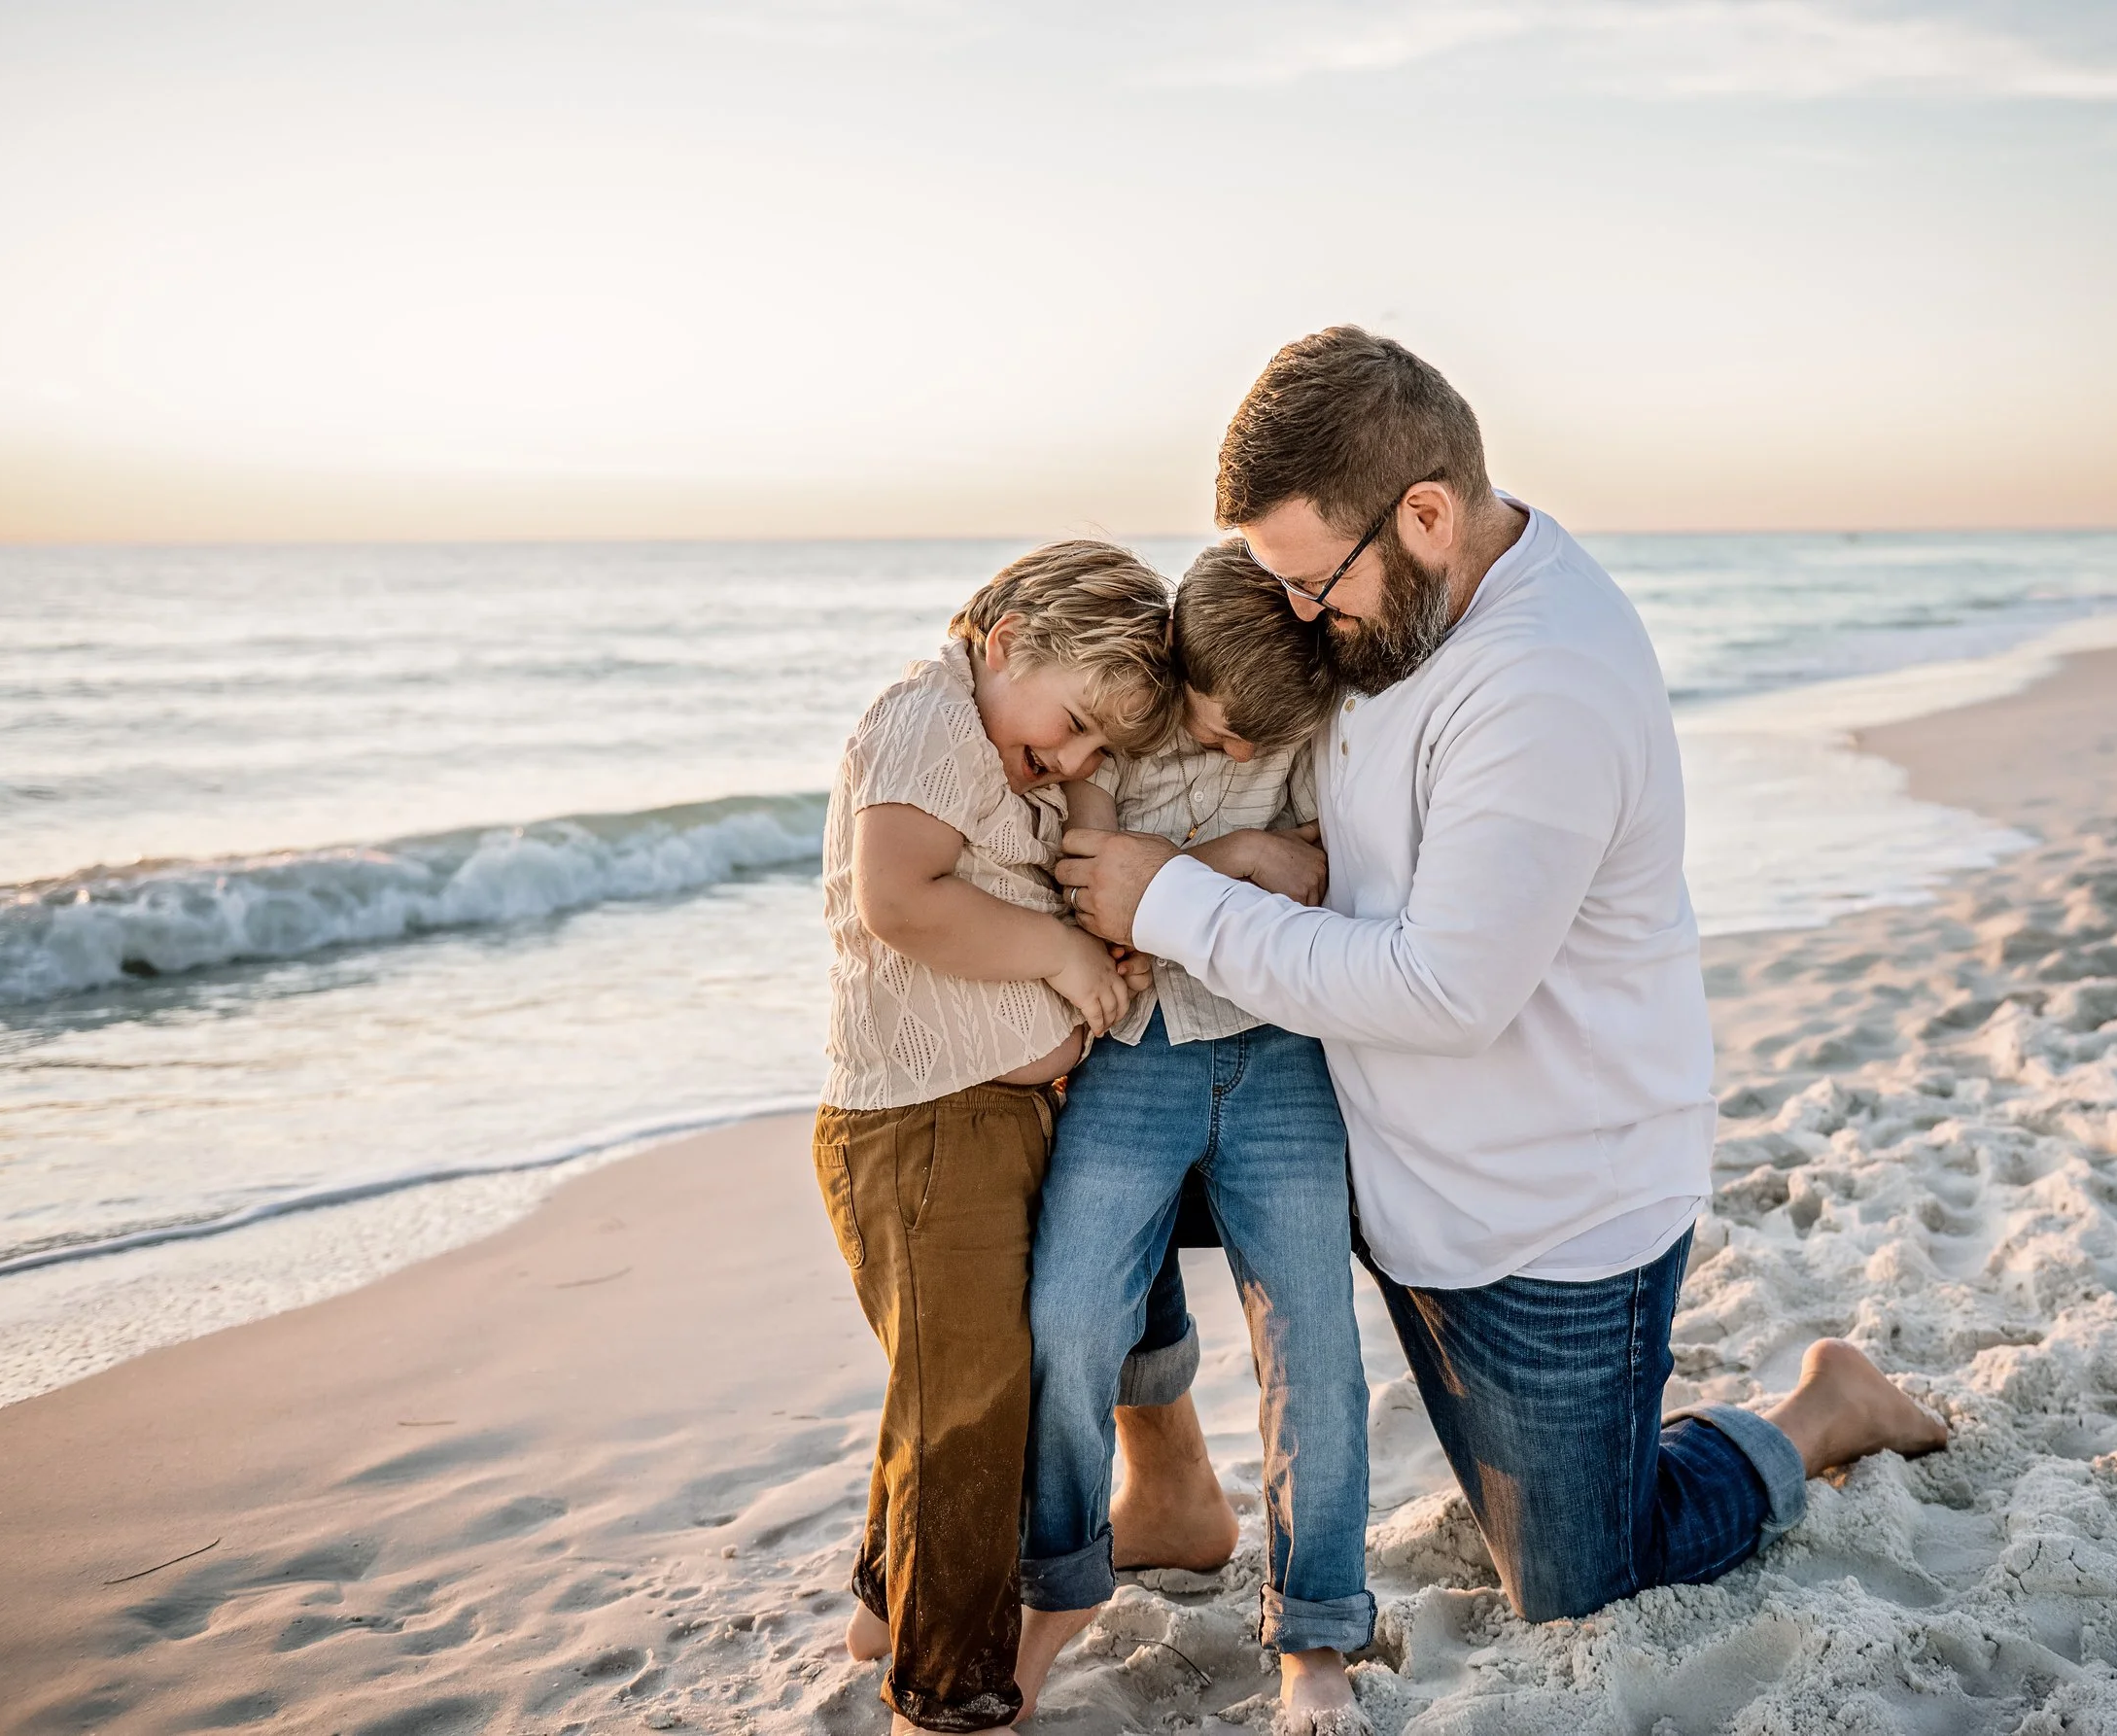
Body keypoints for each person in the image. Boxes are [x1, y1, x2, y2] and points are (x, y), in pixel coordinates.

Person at [1058, 329, 1948, 1631]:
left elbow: (1443, 990)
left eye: (1315, 584)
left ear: (1425, 512)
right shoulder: (1394, 609)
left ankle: (1818, 1408)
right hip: (1366, 1134)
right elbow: (1373, 830)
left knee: (1586, 1582)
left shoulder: (1547, 681)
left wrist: (1172, 896)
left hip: (1538, 1216)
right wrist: (1269, 851)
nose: (1300, 617)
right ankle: (1170, 1479)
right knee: (1059, 1148)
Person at [815, 540, 1173, 1733]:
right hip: (919, 1132)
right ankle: (949, 1684)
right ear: (1006, 638)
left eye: (1096, 749)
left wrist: (1085, 809)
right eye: (1071, 724)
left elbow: (1026, 875)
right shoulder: (928, 717)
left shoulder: (1002, 748)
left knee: (958, 1378)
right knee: (969, 1400)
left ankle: (886, 1593)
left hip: (989, 1117)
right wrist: (1066, 959)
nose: (1072, 759)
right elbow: (901, 898)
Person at [1017, 543, 1371, 1731]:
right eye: (1217, 731)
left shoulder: (1298, 717)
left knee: (1312, 1337)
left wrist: (1215, 864)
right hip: (1135, 1055)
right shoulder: (1115, 729)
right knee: (1069, 1313)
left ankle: (1316, 1630)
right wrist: (1235, 866)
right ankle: (1053, 1586)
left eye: (1249, 751)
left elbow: (1322, 869)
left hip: (1280, 1052)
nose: (1232, 753)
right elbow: (1085, 875)